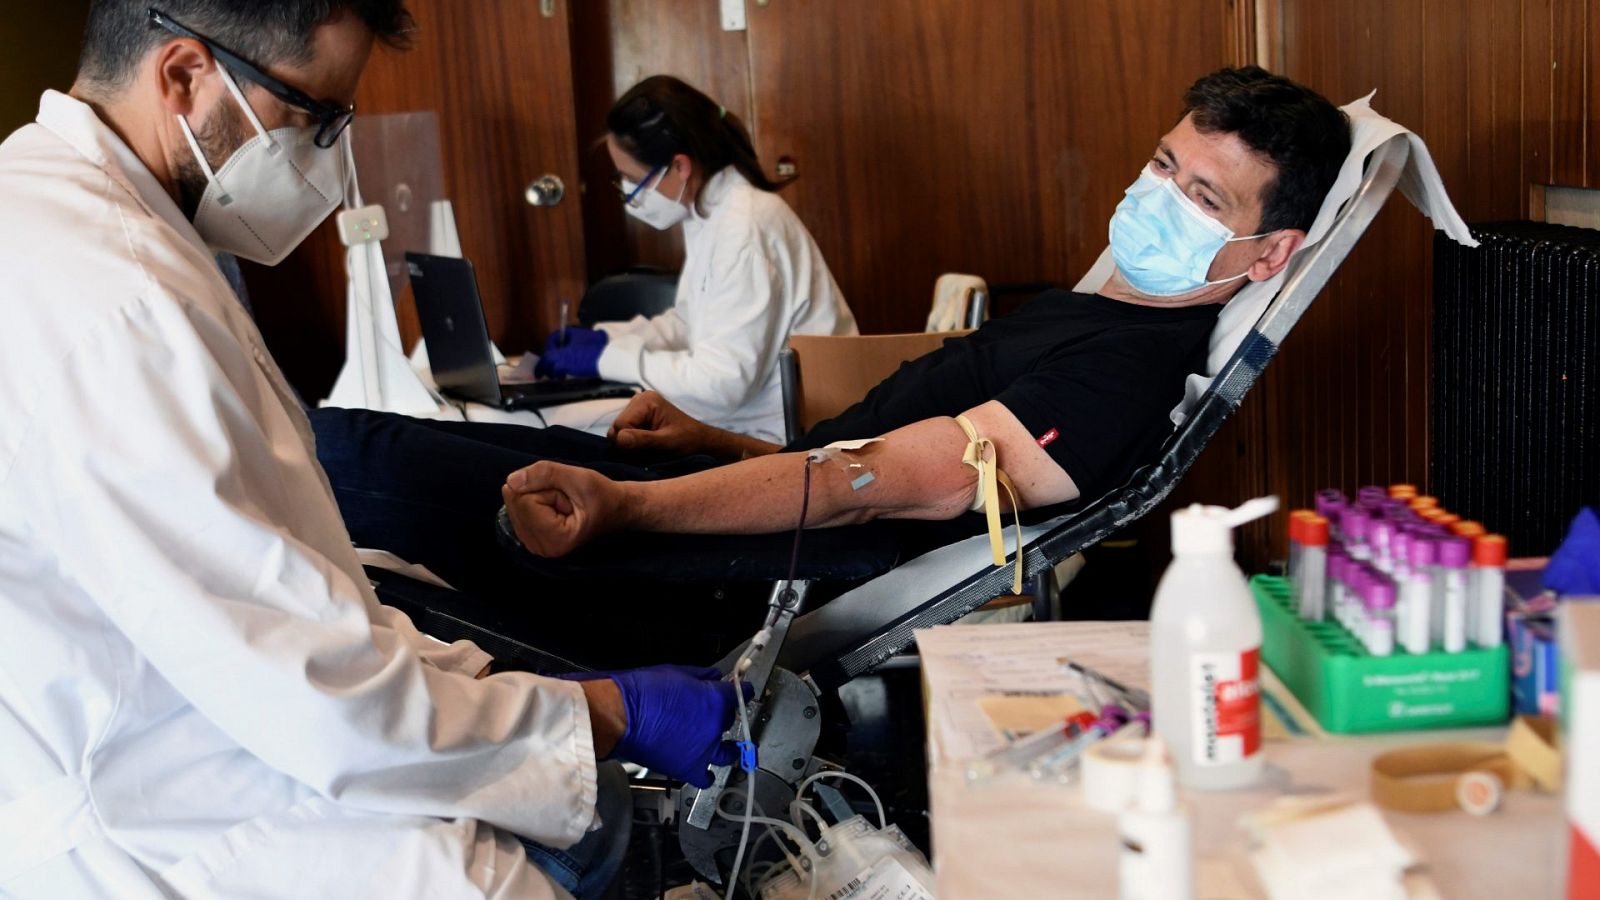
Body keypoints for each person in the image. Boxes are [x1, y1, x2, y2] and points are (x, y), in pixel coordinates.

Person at [0, 3, 746, 898]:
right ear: (185, 76)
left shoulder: (66, 211)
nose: (330, 158)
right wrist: (599, 711)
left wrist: (542, 696)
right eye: (316, 115)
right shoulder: (118, 299)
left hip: (192, 731)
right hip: (160, 809)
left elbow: (296, 609)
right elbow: (312, 687)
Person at [311, 67, 1351, 659]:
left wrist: (631, 508)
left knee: (363, 459)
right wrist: (708, 445)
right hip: (742, 505)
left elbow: (869, 489)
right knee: (392, 444)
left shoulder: (1121, 374)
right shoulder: (1090, 305)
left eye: (1202, 199)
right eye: (1163, 165)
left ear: (1268, 255)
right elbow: (849, 451)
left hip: (750, 577)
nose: (1159, 198)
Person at [537, 75, 858, 443]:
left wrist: (611, 359)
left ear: (680, 167)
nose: (627, 194)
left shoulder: (743, 228)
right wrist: (608, 339)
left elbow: (723, 384)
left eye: (631, 180)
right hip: (741, 419)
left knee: (559, 430)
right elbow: (692, 322)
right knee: (559, 423)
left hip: (782, 439)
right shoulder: (708, 210)